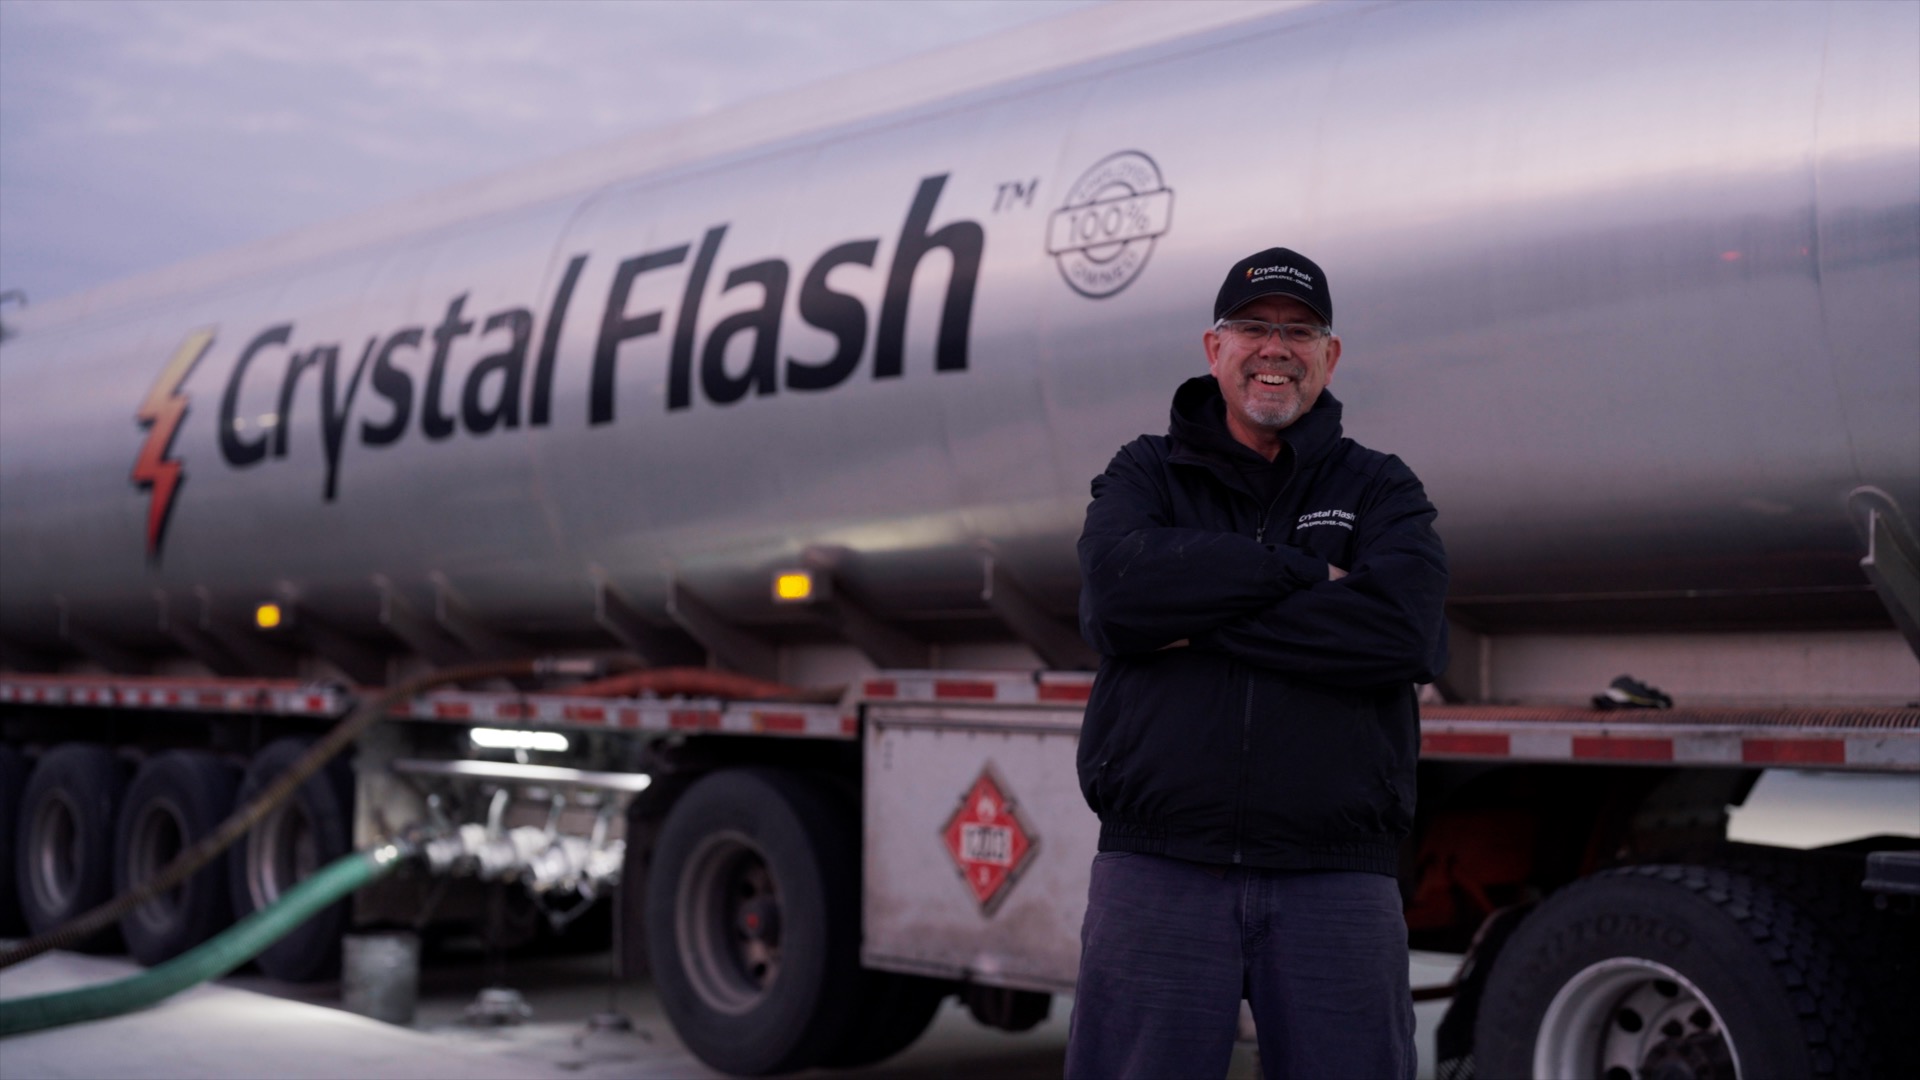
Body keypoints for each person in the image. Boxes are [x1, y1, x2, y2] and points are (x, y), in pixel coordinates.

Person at [1065, 247, 1449, 1079]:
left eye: (1299, 331)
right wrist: (1303, 572)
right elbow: (1115, 604)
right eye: (1252, 327)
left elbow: (1404, 636)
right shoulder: (1147, 471)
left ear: (1329, 355)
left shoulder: (1381, 487)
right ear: (1214, 348)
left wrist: (1196, 614)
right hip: (1159, 868)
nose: (1274, 347)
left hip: (1335, 879)